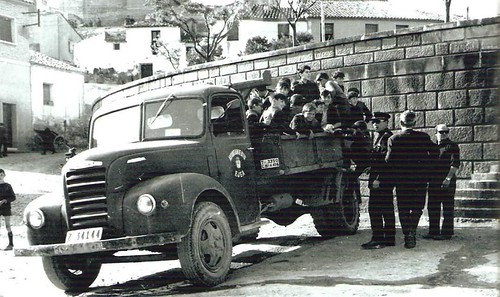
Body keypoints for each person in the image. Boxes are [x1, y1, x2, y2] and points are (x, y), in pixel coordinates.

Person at [385, 110, 437, 249]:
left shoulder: (394, 139)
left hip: (402, 181)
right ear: (414, 123)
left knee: (403, 208)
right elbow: (435, 152)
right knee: (417, 208)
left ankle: (407, 234)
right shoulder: (423, 137)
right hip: (420, 180)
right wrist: (427, 169)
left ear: (401, 122)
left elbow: (388, 161)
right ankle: (411, 232)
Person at [362, 112, 395, 249]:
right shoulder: (380, 136)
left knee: (376, 209)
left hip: (382, 180)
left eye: (378, 122)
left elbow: (388, 162)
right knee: (385, 208)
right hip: (380, 178)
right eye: (373, 122)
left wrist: (378, 178)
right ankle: (388, 239)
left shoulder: (387, 138)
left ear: (386, 122)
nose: (375, 124)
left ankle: (379, 239)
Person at [424, 124, 460, 240]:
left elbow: (455, 164)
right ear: (436, 133)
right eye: (441, 132)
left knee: (447, 207)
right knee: (433, 206)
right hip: (434, 181)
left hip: (447, 181)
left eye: (446, 132)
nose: (444, 134)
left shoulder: (453, 146)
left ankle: (446, 233)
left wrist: (448, 178)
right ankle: (433, 231)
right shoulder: (432, 147)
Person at [0, 169, 16, 250]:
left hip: (6, 208)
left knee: (7, 226)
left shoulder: (8, 186)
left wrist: (5, 200)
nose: (0, 176)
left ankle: (11, 244)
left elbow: (13, 197)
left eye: (1, 175)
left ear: (4, 175)